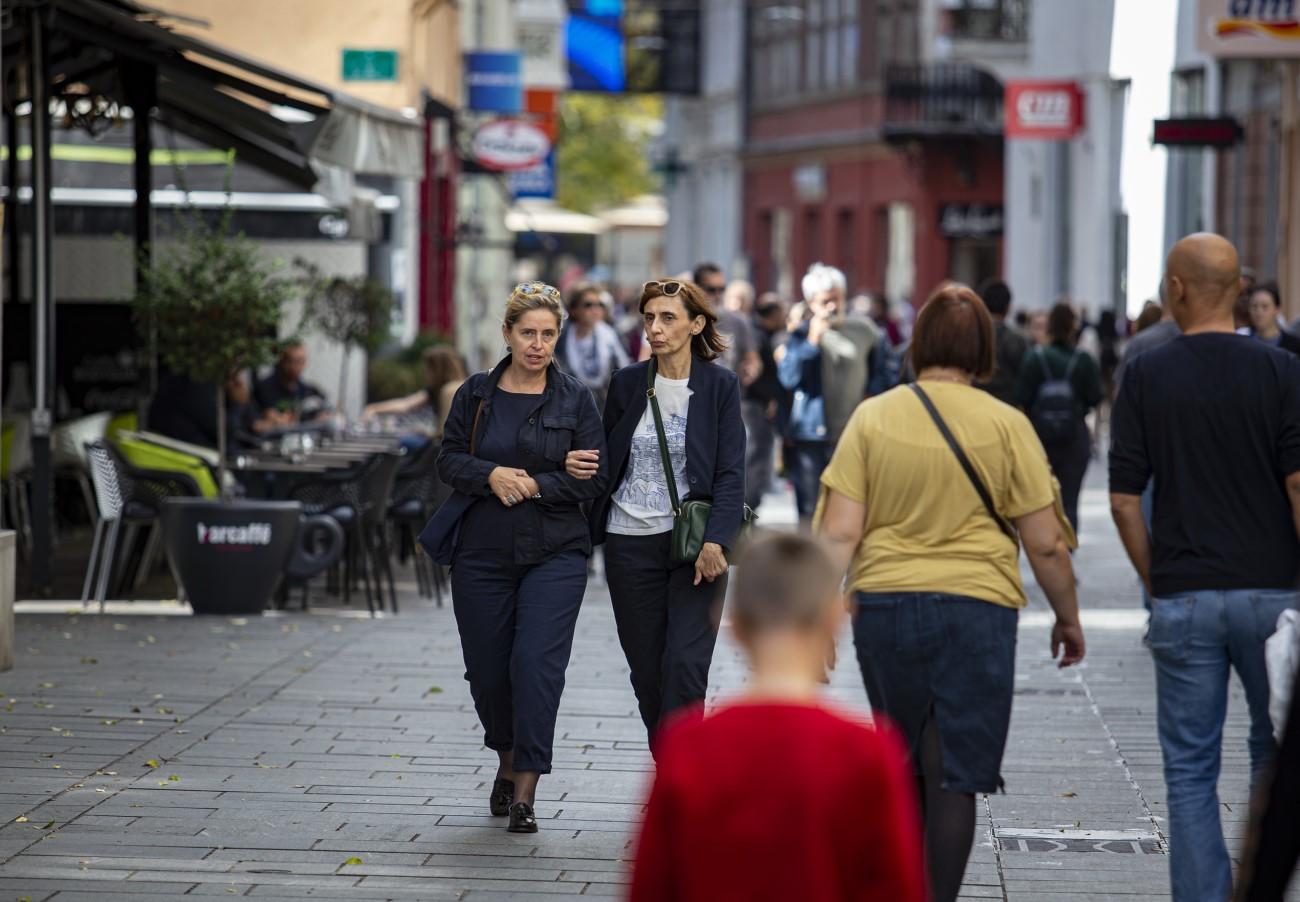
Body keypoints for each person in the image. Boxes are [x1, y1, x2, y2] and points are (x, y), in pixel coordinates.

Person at [817, 283, 1085, 902]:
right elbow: (1044, 542)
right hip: (978, 609)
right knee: (955, 777)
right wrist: (1068, 618)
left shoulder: (873, 417)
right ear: (983, 349)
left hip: (885, 606)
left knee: (901, 765)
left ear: (919, 342)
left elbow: (839, 532)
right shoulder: (1008, 424)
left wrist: (818, 614)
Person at [1109, 233, 1300, 902]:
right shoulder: (1281, 372)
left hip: (1186, 593)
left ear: (1178, 289)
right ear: (1240, 292)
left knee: (1190, 769)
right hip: (1274, 595)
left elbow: (1125, 500)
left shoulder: (1145, 374)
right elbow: (1299, 485)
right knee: (1272, 756)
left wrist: (1157, 576)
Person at [629, 534, 926, 902]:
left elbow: (652, 886)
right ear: (834, 621)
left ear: (734, 626)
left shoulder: (686, 746)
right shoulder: (867, 752)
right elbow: (895, 887)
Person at [427, 281, 608, 834]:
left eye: (548, 334)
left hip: (555, 552)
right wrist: (491, 474)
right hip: (481, 552)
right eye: (527, 333)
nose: (538, 344)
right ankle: (505, 761)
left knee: (535, 665)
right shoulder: (475, 394)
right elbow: (448, 460)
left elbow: (593, 478)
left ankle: (526, 788)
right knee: (487, 671)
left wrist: (533, 485)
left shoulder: (575, 398)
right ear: (506, 333)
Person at [564, 278, 746, 749]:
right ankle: (674, 770)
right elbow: (607, 460)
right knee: (648, 672)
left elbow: (730, 472)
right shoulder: (627, 383)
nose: (655, 328)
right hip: (629, 544)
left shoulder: (720, 386)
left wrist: (717, 542)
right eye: (649, 317)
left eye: (668, 317)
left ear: (696, 323)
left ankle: (684, 780)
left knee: (685, 665)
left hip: (695, 546)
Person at [776, 263, 881, 525]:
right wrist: (812, 341)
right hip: (811, 435)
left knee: (849, 509)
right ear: (812, 302)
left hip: (852, 433)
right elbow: (788, 378)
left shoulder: (864, 330)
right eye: (825, 301)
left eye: (837, 299)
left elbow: (883, 370)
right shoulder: (800, 334)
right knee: (811, 512)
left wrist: (872, 397)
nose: (832, 306)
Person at [1015, 303, 1104, 533]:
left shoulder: (1035, 358)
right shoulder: (1082, 360)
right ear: (1073, 327)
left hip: (1040, 438)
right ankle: (1067, 547)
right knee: (1070, 498)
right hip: (1074, 436)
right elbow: (1096, 396)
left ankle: (1045, 544)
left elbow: (1022, 396)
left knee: (1042, 498)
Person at [553, 282, 631, 412]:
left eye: (599, 305)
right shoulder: (561, 338)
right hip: (569, 409)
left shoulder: (612, 337)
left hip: (604, 409)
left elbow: (624, 374)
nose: (595, 310)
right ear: (574, 309)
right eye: (588, 305)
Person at [743, 297, 789, 512]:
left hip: (756, 403)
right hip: (754, 405)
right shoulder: (755, 335)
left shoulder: (760, 334)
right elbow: (754, 374)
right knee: (756, 456)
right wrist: (768, 398)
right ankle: (748, 508)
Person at [362, 345, 468, 435]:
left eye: (428, 369)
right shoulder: (436, 390)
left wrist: (426, 434)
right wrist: (374, 408)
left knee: (406, 441)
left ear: (439, 369)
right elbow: (405, 404)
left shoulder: (451, 390)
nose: (424, 372)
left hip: (449, 453)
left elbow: (444, 434)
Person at [692, 263, 760, 385]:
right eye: (712, 290)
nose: (718, 295)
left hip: (727, 396)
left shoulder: (738, 321)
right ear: (697, 289)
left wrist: (751, 370)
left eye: (722, 289)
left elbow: (753, 360)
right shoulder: (685, 321)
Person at [972, 279, 1029, 406]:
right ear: (1008, 307)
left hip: (975, 405)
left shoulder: (970, 336)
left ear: (982, 303)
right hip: (1007, 406)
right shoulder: (1018, 340)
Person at [253, 341, 329, 424]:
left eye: (301, 361)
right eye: (293, 361)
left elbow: (324, 408)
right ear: (283, 361)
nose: (297, 366)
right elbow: (266, 417)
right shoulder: (265, 388)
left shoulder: (309, 390)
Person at [1246, 283, 1300, 356]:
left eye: (1265, 307)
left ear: (1277, 309)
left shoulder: (1294, 346)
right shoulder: (1244, 342)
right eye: (1254, 306)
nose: (1259, 312)